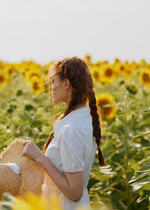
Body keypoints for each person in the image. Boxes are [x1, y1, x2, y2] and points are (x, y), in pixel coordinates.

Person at [22, 56, 105, 210]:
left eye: (53, 81)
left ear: (66, 83)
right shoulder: (84, 119)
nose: (50, 87)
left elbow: (74, 192)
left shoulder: (71, 130)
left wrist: (40, 158)